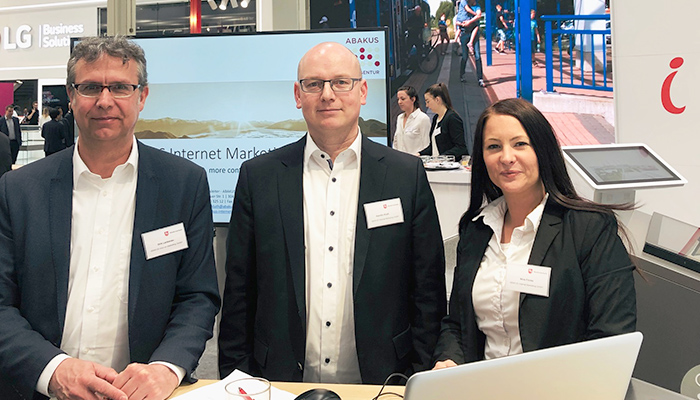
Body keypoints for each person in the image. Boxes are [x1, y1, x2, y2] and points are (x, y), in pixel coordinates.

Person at [0, 36, 220, 400]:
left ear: (142, 97)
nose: (104, 101)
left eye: (120, 87)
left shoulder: (183, 184)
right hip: (40, 390)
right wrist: (54, 370)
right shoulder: (19, 190)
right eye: (90, 88)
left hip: (145, 394)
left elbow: (197, 297)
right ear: (71, 96)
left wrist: (166, 369)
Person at [219, 42, 446, 385]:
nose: (328, 95)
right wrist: (238, 380)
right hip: (278, 383)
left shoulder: (406, 176)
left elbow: (427, 289)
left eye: (341, 82)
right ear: (298, 95)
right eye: (314, 84)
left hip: (385, 382)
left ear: (363, 90)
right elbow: (239, 291)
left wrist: (418, 377)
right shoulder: (259, 177)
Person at [432, 98, 637, 368]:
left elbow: (611, 336)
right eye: (493, 147)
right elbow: (456, 323)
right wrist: (448, 360)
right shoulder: (476, 230)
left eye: (520, 144)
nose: (506, 157)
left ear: (542, 150)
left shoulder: (589, 228)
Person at [420, 83, 468, 158]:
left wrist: (441, 158)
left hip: (450, 166)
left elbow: (460, 147)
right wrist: (419, 154)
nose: (427, 105)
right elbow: (433, 147)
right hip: (438, 164)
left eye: (428, 101)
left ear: (437, 100)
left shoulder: (452, 118)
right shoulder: (436, 118)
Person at [393, 85, 431, 155]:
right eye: (398, 99)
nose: (399, 102)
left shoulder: (422, 118)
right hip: (400, 162)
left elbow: (427, 145)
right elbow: (396, 142)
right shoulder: (400, 118)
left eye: (403, 99)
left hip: (415, 162)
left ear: (413, 99)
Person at [459, 0, 485, 87]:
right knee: (465, 56)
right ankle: (462, 75)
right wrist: (462, 24)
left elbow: (479, 14)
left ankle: (480, 78)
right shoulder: (464, 4)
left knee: (477, 55)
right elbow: (457, 21)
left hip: (474, 34)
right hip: (464, 33)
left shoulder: (477, 6)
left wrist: (469, 22)